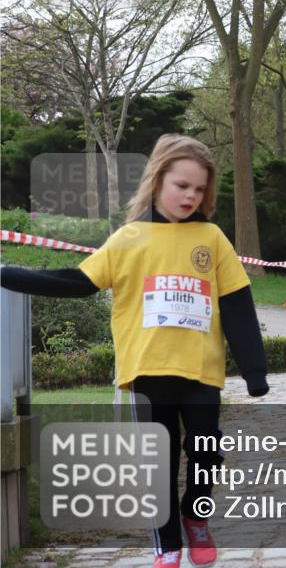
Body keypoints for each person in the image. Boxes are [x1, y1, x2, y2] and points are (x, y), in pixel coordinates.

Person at [1, 134, 269, 568]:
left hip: (200, 372)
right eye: (182, 185)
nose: (190, 196)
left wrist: (254, 371)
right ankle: (167, 545)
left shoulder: (212, 238)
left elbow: (236, 303)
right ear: (158, 179)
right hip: (145, 372)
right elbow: (78, 282)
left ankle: (194, 515)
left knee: (206, 450)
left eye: (199, 189)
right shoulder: (129, 239)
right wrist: (8, 273)